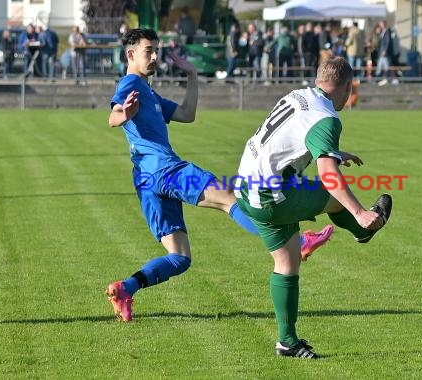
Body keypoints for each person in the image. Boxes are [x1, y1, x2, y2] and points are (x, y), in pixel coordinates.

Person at [105, 29, 334, 323]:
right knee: (229, 198)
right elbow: (114, 114)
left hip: (147, 182)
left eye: (156, 51)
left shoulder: (149, 93)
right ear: (130, 54)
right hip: (165, 171)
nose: (154, 57)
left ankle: (126, 288)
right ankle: (299, 242)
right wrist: (122, 115)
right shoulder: (130, 83)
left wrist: (191, 76)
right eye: (148, 51)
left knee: (179, 258)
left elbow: (187, 113)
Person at [234, 56, 392, 359]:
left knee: (287, 262)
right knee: (333, 195)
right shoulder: (328, 118)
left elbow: (289, 137)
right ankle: (362, 229)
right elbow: (328, 175)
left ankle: (287, 341)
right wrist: (359, 210)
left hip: (245, 188)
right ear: (348, 87)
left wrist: (332, 152)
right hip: (272, 197)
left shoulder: (298, 95)